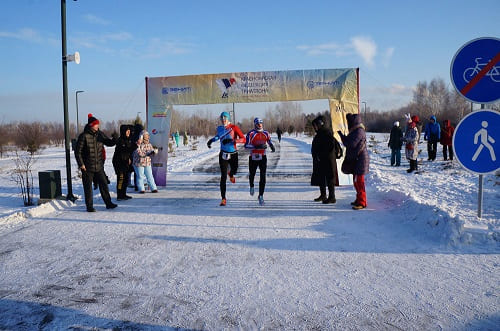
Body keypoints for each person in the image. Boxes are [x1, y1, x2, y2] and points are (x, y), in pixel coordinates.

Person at [75, 113, 117, 212]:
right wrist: (81, 164)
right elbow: (78, 152)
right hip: (87, 167)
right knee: (88, 187)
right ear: (91, 125)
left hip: (99, 166)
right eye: (96, 124)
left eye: (98, 124)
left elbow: (109, 143)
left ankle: (108, 203)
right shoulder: (83, 136)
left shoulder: (100, 134)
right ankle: (89, 206)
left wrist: (114, 138)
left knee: (104, 185)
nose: (98, 126)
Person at [206, 111, 246, 206]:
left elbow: (244, 139)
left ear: (228, 119)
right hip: (223, 154)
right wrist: (211, 140)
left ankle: (231, 174)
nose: (223, 119)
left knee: (235, 170)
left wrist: (233, 140)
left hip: (233, 154)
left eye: (225, 118)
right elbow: (218, 136)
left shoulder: (234, 127)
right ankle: (223, 198)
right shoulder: (219, 128)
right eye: (222, 118)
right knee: (223, 177)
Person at [338, 113, 369, 210]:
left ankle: (362, 202)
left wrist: (342, 137)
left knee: (359, 182)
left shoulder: (359, 131)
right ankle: (358, 199)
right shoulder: (355, 131)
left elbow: (350, 143)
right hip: (357, 160)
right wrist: (342, 136)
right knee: (356, 182)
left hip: (361, 160)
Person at [245, 117, 275, 205]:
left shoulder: (266, 133)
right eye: (258, 123)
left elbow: (268, 140)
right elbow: (246, 146)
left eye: (261, 123)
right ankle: (251, 186)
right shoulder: (251, 133)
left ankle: (261, 196)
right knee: (252, 174)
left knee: (263, 176)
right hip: (253, 157)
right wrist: (256, 147)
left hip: (262, 157)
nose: (259, 125)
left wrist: (271, 145)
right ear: (255, 124)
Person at [311, 115, 340, 204]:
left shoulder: (327, 133)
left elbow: (330, 148)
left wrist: (321, 155)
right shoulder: (320, 133)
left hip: (328, 160)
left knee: (330, 178)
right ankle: (323, 195)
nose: (314, 127)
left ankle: (332, 197)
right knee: (321, 177)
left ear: (320, 124)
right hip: (321, 160)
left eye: (316, 125)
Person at [112, 124, 135, 200]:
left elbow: (128, 152)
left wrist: (129, 158)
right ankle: (119, 195)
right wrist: (134, 146)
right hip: (119, 162)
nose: (128, 132)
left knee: (125, 179)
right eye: (127, 131)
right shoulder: (120, 140)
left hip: (125, 162)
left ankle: (123, 194)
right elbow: (125, 150)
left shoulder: (128, 140)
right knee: (121, 179)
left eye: (129, 131)